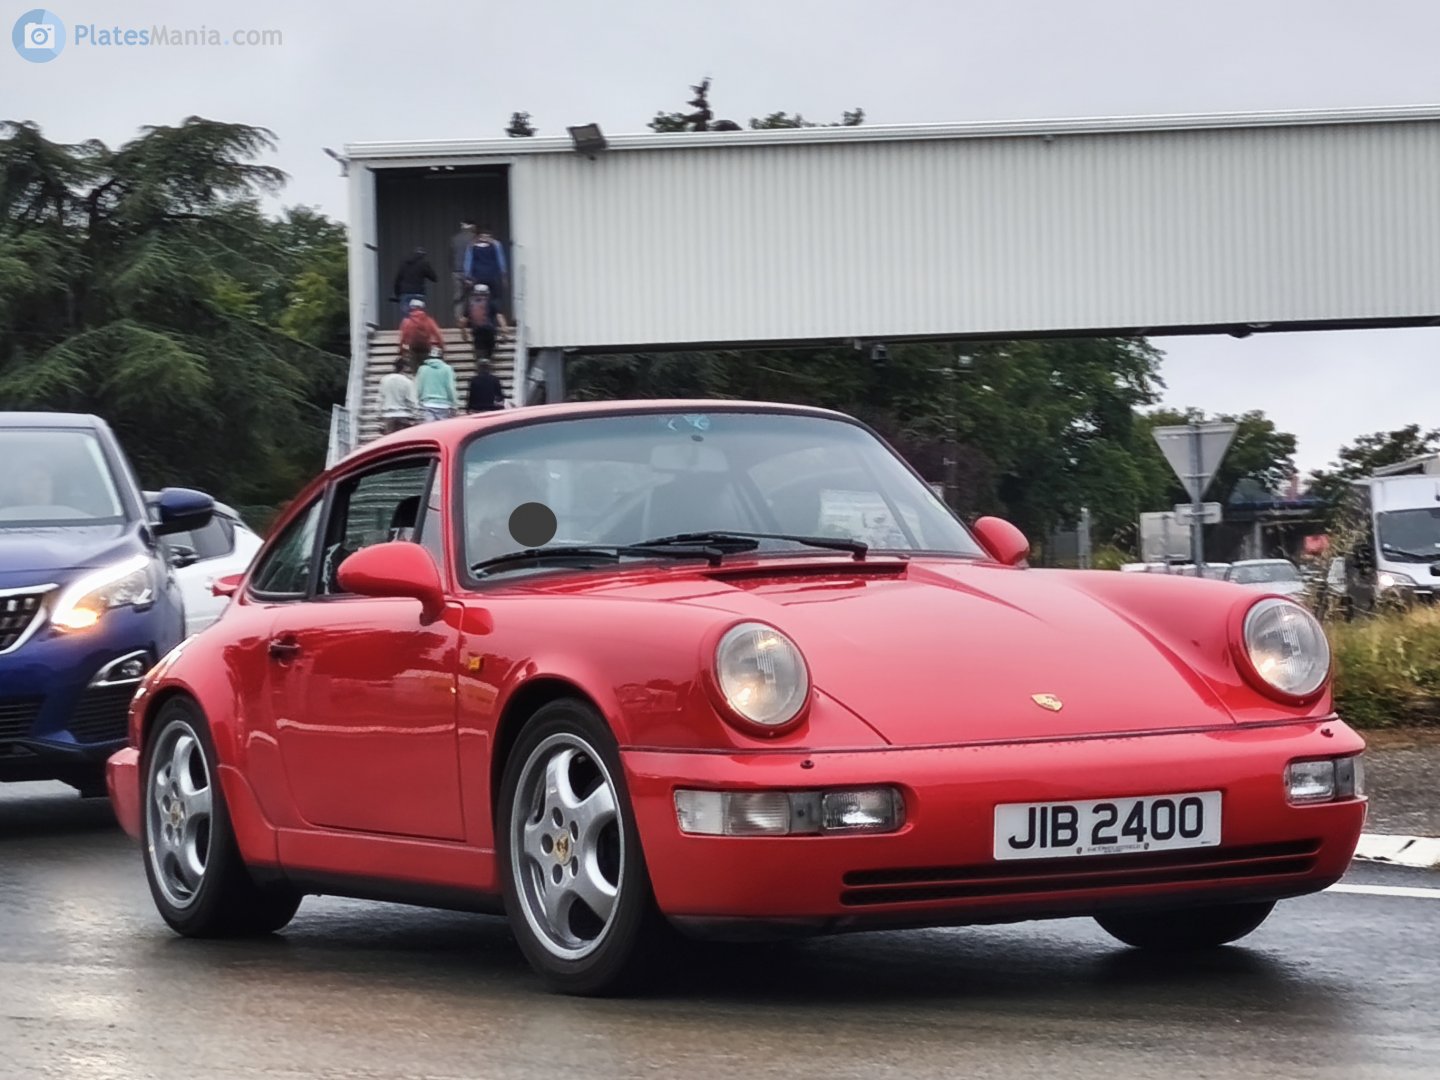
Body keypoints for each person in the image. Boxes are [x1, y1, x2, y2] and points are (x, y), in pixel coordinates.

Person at [462, 226, 508, 317]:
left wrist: (467, 277)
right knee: (496, 298)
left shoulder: (472, 246)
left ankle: (470, 317)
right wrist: (504, 276)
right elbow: (501, 261)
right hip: (493, 276)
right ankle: (498, 316)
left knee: (474, 298)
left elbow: (468, 262)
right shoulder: (496, 244)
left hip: (477, 276)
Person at [461, 282, 505, 362]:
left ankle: (480, 361)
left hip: (477, 331)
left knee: (479, 349)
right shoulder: (492, 303)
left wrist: (464, 333)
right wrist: (504, 329)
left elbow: (463, 320)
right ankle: (487, 360)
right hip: (490, 331)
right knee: (489, 349)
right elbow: (499, 316)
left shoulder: (471, 304)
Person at [376, 356, 419, 434]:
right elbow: (412, 400)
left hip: (388, 416)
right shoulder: (407, 382)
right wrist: (416, 415)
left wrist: (378, 415)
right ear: (405, 368)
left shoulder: (385, 380)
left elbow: (380, 399)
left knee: (390, 440)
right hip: (404, 415)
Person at [392, 246, 436, 321]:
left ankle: (407, 327)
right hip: (418, 293)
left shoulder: (404, 264)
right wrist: (427, 269)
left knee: (406, 317)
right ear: (422, 255)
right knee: (419, 316)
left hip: (405, 293)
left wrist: (397, 294)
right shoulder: (424, 264)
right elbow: (434, 278)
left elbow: (397, 280)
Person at [414, 347, 458, 422]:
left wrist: (416, 402)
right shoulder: (447, 369)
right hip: (444, 405)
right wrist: (454, 403)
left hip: (427, 404)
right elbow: (450, 387)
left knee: (429, 428)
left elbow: (418, 387)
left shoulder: (422, 369)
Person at [397, 299, 444, 366]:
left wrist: (401, 349)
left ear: (411, 308)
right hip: (425, 349)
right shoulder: (428, 320)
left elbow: (402, 337)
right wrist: (442, 346)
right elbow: (437, 334)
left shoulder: (407, 322)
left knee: (415, 369)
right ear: (422, 308)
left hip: (413, 350)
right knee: (425, 367)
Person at [449, 218, 477, 325]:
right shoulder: (474, 238)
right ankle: (471, 319)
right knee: (472, 295)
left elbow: (450, 256)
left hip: (457, 271)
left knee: (458, 296)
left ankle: (459, 319)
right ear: (472, 226)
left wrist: (453, 268)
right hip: (471, 272)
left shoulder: (454, 239)